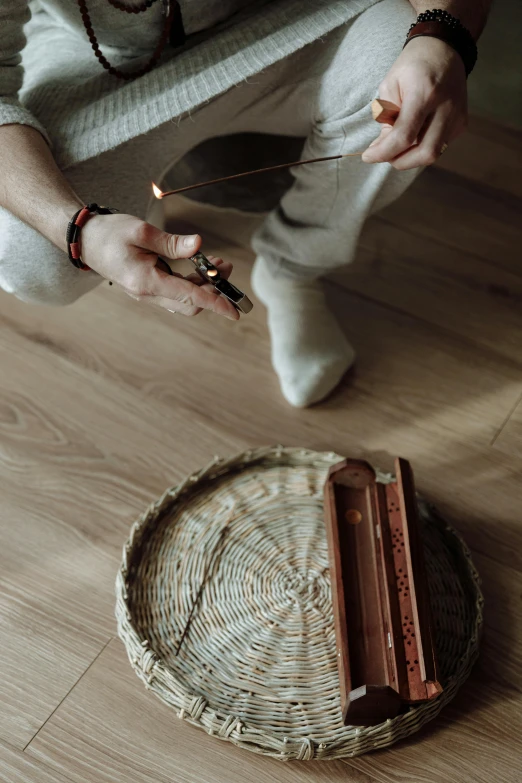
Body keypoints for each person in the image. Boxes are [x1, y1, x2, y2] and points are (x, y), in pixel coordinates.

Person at [0, 0, 489, 406]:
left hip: (299, 17)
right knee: (32, 252)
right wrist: (78, 227)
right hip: (88, 57)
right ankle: (132, 219)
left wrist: (440, 34)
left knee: (393, 76)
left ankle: (292, 267)